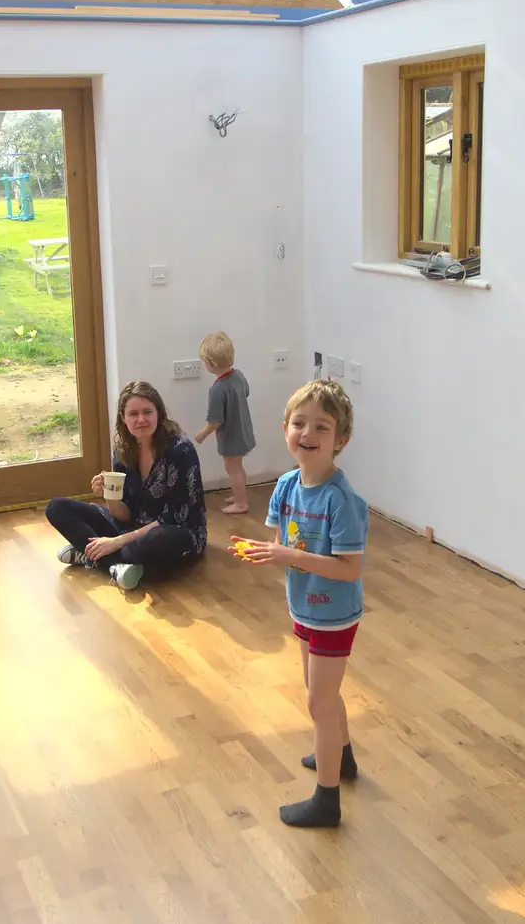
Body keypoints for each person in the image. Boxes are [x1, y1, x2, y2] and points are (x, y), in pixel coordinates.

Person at [235, 380, 368, 828]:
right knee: (324, 697)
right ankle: (342, 758)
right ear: (285, 429)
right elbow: (283, 543)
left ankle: (327, 801)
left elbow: (349, 568)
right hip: (304, 607)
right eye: (299, 423)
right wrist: (265, 550)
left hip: (333, 616)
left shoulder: (341, 500)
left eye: (322, 427)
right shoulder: (287, 485)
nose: (307, 433)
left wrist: (289, 556)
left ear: (341, 441)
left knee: (318, 704)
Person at [45, 381, 207, 590]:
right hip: (132, 527)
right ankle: (115, 565)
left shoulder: (180, 450)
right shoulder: (123, 448)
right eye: (133, 414)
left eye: (147, 412)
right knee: (56, 508)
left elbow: (173, 518)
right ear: (123, 418)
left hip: (175, 532)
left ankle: (91, 555)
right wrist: (109, 496)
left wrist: (116, 542)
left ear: (159, 413)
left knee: (157, 540)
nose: (141, 419)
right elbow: (125, 515)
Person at [193, 331, 256, 515]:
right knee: (238, 467)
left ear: (211, 364)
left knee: (232, 468)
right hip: (244, 430)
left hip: (232, 436)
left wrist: (202, 433)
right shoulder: (239, 375)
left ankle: (241, 503)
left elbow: (215, 420)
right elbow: (246, 393)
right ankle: (239, 495)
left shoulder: (217, 389)